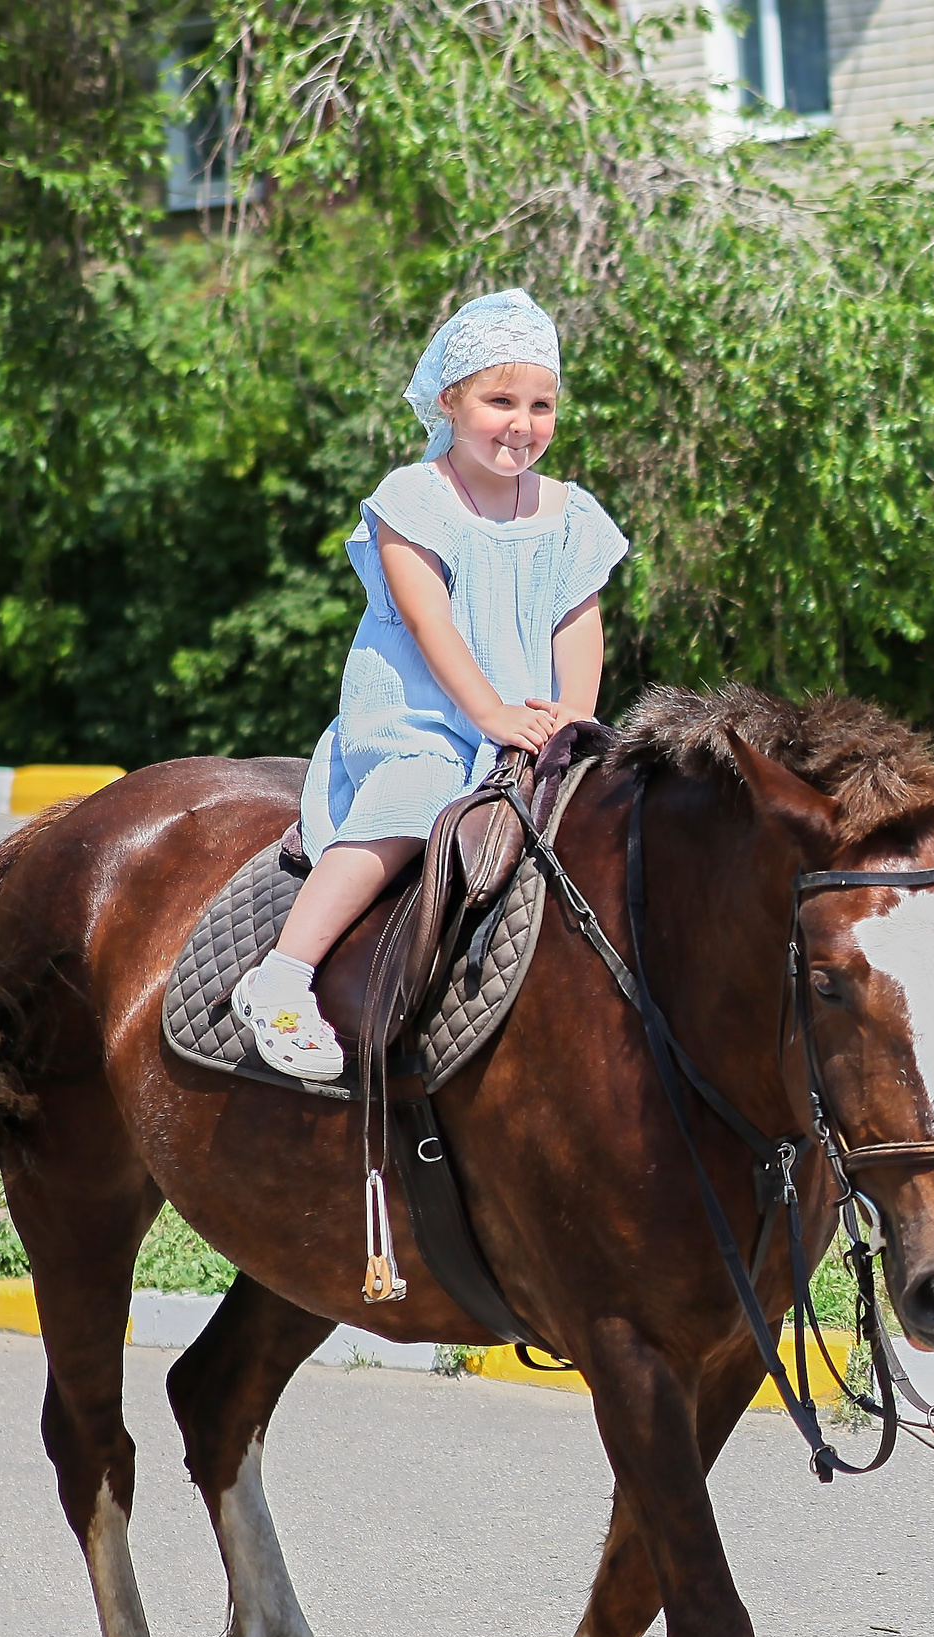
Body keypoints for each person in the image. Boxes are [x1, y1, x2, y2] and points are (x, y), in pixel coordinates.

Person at [230, 290, 628, 1081]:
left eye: (541, 404)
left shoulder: (571, 515)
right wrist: (488, 713)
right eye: (500, 400)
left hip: (527, 720)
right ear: (450, 400)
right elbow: (428, 622)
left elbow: (577, 623)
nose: (522, 423)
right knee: (416, 801)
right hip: (422, 716)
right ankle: (283, 973)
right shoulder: (414, 499)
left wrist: (572, 714)